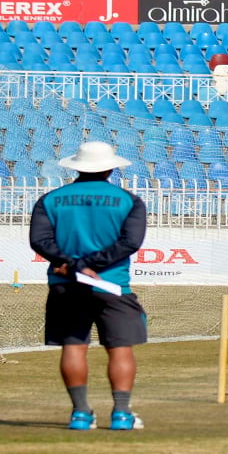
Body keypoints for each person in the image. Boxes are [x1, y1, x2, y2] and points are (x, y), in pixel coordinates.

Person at [29, 141, 148, 431]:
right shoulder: (129, 200)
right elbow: (130, 243)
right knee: (120, 348)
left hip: (65, 282)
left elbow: (39, 241)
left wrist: (72, 263)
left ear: (76, 167)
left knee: (73, 346)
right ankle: (121, 414)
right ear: (111, 168)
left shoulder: (51, 199)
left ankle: (81, 414)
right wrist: (91, 263)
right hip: (111, 283)